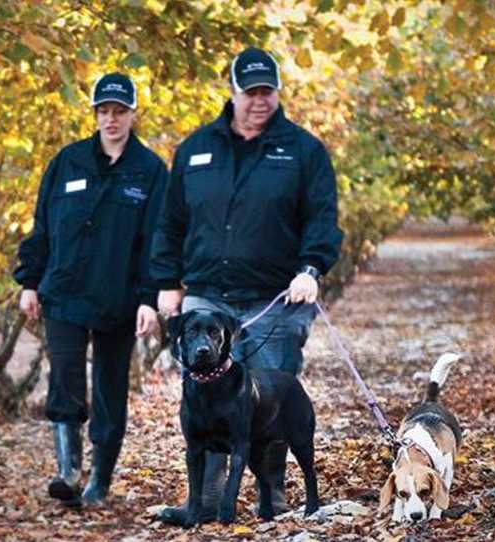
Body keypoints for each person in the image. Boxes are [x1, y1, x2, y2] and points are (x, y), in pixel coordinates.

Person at [150, 47, 343, 524]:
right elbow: (171, 222)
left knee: (269, 404)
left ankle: (269, 497)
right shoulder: (195, 149)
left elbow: (322, 220)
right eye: (250, 92)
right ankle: (208, 501)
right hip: (206, 296)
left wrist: (311, 269)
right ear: (232, 92)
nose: (259, 101)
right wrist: (165, 282)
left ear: (277, 93)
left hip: (275, 298)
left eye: (267, 92)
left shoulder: (304, 151)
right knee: (206, 396)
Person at [13, 72, 167, 508]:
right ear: (95, 115)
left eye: (120, 111)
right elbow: (42, 225)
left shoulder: (151, 171)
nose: (112, 119)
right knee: (64, 376)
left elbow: (158, 241)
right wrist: (29, 280)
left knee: (109, 387)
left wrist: (149, 299)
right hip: (63, 291)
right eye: (104, 111)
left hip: (119, 297)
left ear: (133, 114)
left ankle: (100, 478)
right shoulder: (68, 162)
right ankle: (68, 470)